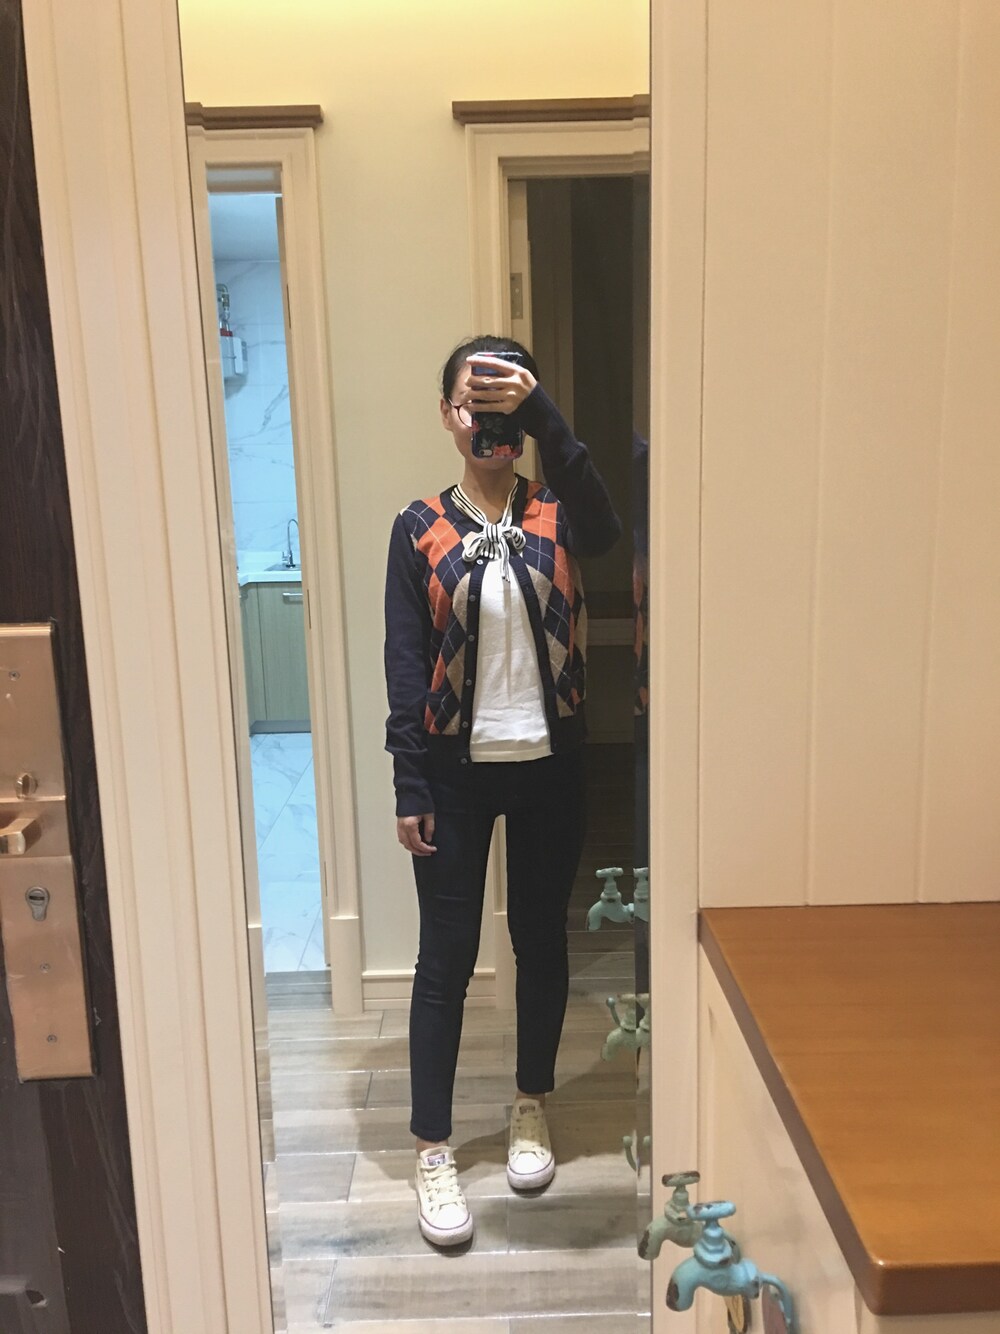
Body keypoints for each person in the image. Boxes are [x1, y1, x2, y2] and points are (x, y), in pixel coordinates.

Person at [383, 334, 621, 1247]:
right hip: (453, 774)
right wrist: (410, 779)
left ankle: (531, 1104)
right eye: (474, 403)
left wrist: (542, 411)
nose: (489, 422)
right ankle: (433, 1147)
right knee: (444, 958)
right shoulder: (419, 527)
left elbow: (607, 532)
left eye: (505, 406)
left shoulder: (559, 511)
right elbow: (407, 664)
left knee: (539, 940)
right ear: (449, 416)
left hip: (552, 767)